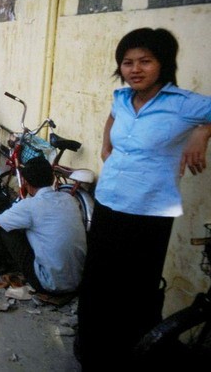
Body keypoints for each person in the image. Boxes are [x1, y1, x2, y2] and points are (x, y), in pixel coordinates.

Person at [76, 28, 211, 369]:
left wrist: (202, 132)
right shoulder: (121, 98)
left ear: (162, 64)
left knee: (134, 293)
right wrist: (106, 142)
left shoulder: (182, 103)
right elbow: (112, 116)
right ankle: (91, 351)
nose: (135, 69)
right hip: (108, 202)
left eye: (145, 62)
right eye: (127, 62)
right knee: (97, 284)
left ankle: (127, 357)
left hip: (149, 213)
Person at [0, 157, 87, 294]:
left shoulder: (29, 206)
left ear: (25, 182)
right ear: (52, 179)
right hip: (77, 280)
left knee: (3, 229)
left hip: (49, 283)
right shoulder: (68, 198)